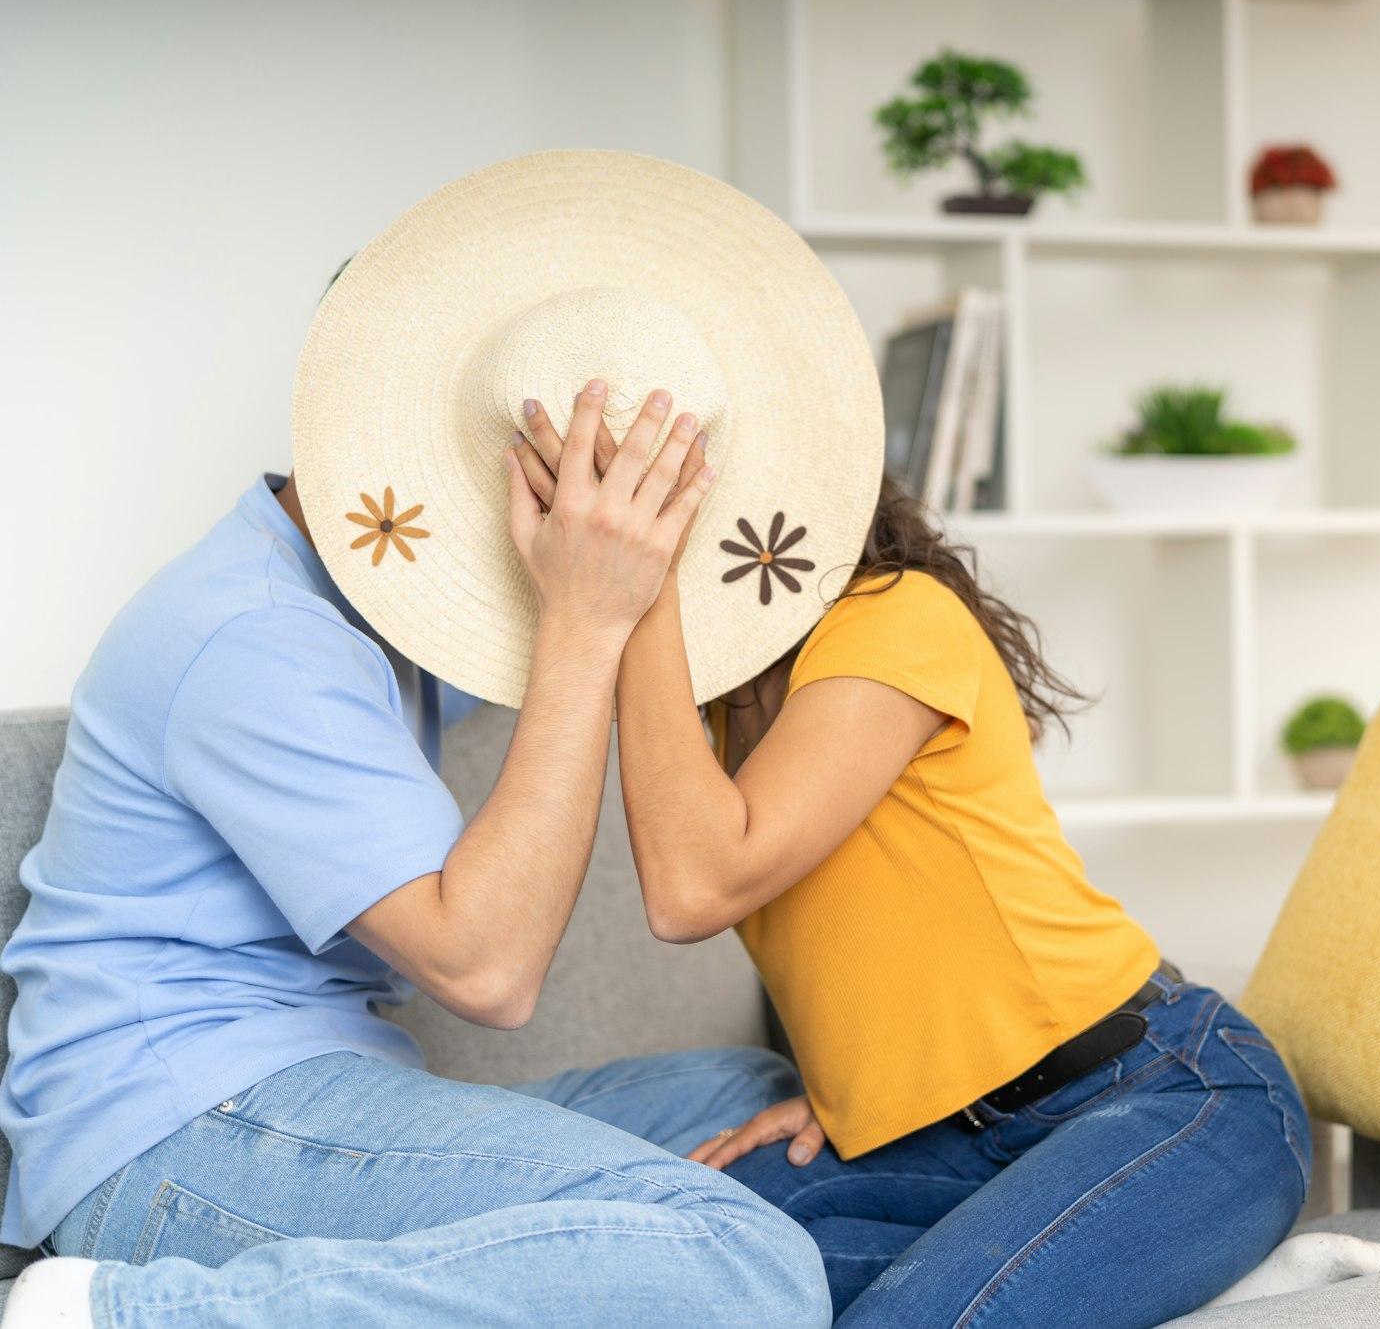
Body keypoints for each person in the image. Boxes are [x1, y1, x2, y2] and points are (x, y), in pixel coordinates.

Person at [0, 383, 828, 1327]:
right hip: (172, 1134)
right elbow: (489, 971)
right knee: (751, 1264)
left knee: (751, 1094)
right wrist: (586, 618)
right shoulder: (250, 631)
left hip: (328, 1084)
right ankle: (121, 1315)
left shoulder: (384, 599)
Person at [523, 386, 1332, 1324]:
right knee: (681, 1287)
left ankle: (1167, 1258)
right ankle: (1166, 1281)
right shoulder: (721, 702)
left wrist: (640, 587)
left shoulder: (895, 615)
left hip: (1159, 1089)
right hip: (940, 1137)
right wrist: (864, 1086)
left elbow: (693, 886)